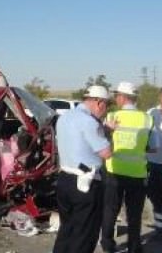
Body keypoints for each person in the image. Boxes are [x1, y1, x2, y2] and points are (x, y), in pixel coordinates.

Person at [53, 85, 113, 253]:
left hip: (64, 180)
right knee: (84, 235)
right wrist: (108, 133)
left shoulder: (64, 117)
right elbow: (106, 153)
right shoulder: (90, 122)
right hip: (85, 184)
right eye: (106, 105)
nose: (105, 110)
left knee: (67, 230)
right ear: (99, 103)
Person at [100, 82, 155, 253]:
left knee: (110, 210)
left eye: (117, 95)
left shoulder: (111, 117)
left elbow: (101, 142)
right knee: (134, 213)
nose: (116, 98)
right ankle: (134, 246)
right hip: (137, 174)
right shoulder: (147, 118)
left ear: (123, 97)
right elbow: (154, 147)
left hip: (114, 171)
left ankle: (108, 245)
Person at [147, 83, 162, 241]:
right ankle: (161, 231)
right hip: (153, 165)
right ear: (159, 97)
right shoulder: (150, 113)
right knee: (155, 198)